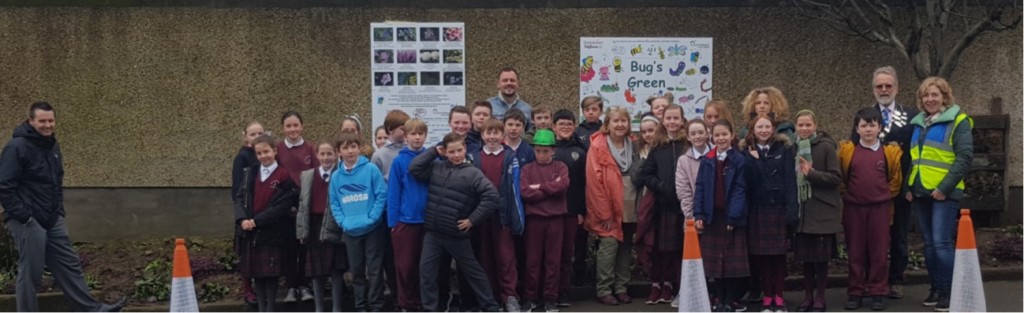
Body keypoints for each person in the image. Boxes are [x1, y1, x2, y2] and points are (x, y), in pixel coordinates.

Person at [0, 102, 127, 312]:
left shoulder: (52, 145)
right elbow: (4, 185)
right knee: (31, 271)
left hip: (52, 218)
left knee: (69, 264)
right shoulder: (17, 147)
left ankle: (92, 309)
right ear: (31, 121)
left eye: (50, 120)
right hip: (27, 221)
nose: (47, 125)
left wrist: (58, 211)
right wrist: (24, 216)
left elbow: (56, 180)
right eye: (42, 121)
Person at [409, 132, 501, 312]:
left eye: (459, 150)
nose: (456, 155)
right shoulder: (437, 167)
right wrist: (434, 152)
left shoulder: (473, 173)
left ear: (465, 149)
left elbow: (492, 196)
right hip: (433, 233)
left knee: (473, 272)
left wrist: (472, 220)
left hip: (456, 235)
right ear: (445, 152)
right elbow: (414, 168)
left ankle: (490, 307)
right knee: (426, 272)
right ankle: (430, 309)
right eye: (451, 152)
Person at [849, 66, 920, 300]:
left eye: (888, 85)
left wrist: (909, 186)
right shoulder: (864, 115)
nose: (884, 89)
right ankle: (871, 281)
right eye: (879, 86)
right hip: (870, 192)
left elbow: (916, 153)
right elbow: (853, 152)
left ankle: (896, 279)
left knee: (898, 236)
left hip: (900, 189)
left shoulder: (911, 116)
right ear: (873, 89)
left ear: (896, 88)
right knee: (870, 239)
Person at [904, 77, 973, 312]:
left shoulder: (958, 121)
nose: (930, 99)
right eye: (926, 95)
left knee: (942, 244)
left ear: (945, 96)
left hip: (945, 192)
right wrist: (908, 187)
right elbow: (914, 159)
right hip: (921, 191)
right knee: (930, 245)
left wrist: (944, 188)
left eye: (935, 95)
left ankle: (950, 292)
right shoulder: (918, 123)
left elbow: (964, 158)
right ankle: (937, 288)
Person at [838, 108, 903, 311]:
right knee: (856, 251)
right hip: (854, 209)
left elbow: (895, 181)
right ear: (857, 129)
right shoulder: (847, 152)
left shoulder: (889, 153)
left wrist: (883, 195)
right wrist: (849, 196)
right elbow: (841, 179)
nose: (868, 129)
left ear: (880, 128)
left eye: (872, 125)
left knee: (879, 252)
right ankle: (856, 291)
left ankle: (877, 291)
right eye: (864, 125)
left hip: (881, 209)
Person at [235, 134, 300, 312]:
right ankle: (262, 310)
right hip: (251, 232)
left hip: (273, 233)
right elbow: (239, 197)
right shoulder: (251, 173)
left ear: (275, 151)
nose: (264, 156)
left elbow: (282, 206)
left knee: (271, 277)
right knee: (257, 275)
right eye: (259, 153)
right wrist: (242, 220)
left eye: (266, 151)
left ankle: (270, 308)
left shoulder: (284, 176)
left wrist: (256, 221)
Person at [466, 119, 525, 312]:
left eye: (496, 133)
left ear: (503, 136)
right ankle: (490, 298)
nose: (492, 137)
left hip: (503, 216)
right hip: (480, 217)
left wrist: (516, 219)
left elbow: (515, 190)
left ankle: (509, 296)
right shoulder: (474, 156)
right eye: (488, 133)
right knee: (485, 257)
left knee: (506, 257)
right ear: (482, 135)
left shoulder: (510, 157)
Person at [741, 114, 798, 312]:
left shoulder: (783, 149)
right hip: (758, 210)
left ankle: (779, 296)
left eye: (767, 127)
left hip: (779, 209)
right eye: (759, 127)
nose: (764, 130)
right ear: (753, 130)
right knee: (762, 257)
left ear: (773, 129)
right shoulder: (746, 152)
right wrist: (754, 160)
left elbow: (790, 182)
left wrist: (792, 211)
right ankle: (767, 296)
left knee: (778, 257)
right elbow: (749, 182)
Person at [584, 107, 639, 306]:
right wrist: (604, 212)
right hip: (607, 204)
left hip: (630, 203)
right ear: (607, 124)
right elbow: (594, 183)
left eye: (624, 120)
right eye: (615, 121)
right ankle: (604, 289)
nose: (620, 124)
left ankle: (621, 288)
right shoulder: (598, 146)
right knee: (609, 246)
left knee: (625, 246)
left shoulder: (633, 143)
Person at [693, 119, 749, 313]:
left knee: (730, 263)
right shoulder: (708, 159)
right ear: (712, 137)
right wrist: (698, 212)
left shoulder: (739, 159)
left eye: (724, 134)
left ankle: (729, 300)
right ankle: (718, 299)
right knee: (715, 263)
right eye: (717, 135)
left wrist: (733, 217)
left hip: (731, 218)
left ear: (732, 135)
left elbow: (740, 189)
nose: (721, 138)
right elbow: (700, 187)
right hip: (712, 217)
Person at [330, 132, 388, 312]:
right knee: (356, 272)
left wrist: (373, 218)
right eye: (345, 148)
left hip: (373, 229)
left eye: (353, 146)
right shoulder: (336, 177)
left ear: (359, 148)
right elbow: (334, 203)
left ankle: (376, 306)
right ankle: (360, 306)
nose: (350, 151)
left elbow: (381, 195)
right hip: (351, 231)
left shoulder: (370, 169)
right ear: (339, 151)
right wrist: (343, 222)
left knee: (375, 270)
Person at [792, 110, 842, 312]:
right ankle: (807, 297)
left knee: (821, 260)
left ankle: (820, 297)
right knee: (806, 260)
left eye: (807, 125)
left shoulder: (826, 147)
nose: (804, 129)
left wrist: (811, 174)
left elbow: (835, 178)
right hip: (802, 212)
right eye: (800, 125)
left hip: (822, 211)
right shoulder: (792, 147)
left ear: (815, 125)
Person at [638, 104, 687, 305]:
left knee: (680, 250)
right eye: (669, 118)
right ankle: (658, 284)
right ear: (663, 121)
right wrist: (661, 185)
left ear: (682, 120)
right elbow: (646, 174)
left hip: (685, 208)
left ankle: (676, 286)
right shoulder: (658, 147)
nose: (672, 122)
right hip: (662, 206)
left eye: (676, 118)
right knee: (660, 249)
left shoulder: (688, 144)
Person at [519, 129, 570, 312]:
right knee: (532, 260)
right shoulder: (527, 169)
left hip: (556, 220)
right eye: (538, 150)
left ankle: (550, 297)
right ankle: (530, 297)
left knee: (553, 260)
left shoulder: (561, 167)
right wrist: (550, 188)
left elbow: (562, 187)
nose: (541, 154)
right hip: (534, 220)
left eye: (545, 151)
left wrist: (539, 187)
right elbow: (525, 192)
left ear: (553, 151)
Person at [296, 140, 348, 312]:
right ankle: (319, 308)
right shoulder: (308, 175)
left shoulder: (341, 174)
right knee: (316, 272)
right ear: (317, 155)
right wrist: (302, 230)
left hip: (334, 224)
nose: (326, 158)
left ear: (336, 154)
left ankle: (337, 308)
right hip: (314, 226)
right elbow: (303, 204)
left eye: (329, 154)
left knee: (336, 270)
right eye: (322, 154)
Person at [387, 119, 431, 311]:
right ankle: (406, 302)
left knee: (425, 266)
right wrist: (393, 223)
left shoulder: (433, 159)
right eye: (413, 134)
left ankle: (424, 302)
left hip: (428, 221)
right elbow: (393, 194)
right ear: (405, 137)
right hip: (405, 222)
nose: (417, 137)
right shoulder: (399, 161)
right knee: (405, 266)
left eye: (421, 134)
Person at [276, 111, 317, 303]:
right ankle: (291, 286)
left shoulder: (310, 149)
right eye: (288, 126)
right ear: (283, 128)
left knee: (305, 247)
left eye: (296, 125)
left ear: (302, 126)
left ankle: (305, 284)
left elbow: (316, 175)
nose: (292, 129)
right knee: (289, 249)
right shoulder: (277, 149)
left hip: (306, 205)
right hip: (285, 206)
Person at [673, 118, 712, 309]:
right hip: (693, 219)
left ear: (707, 133)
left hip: (715, 217)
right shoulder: (683, 160)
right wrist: (692, 216)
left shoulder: (717, 155)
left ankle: (714, 295)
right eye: (693, 133)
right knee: (693, 259)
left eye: (700, 132)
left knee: (714, 258)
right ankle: (689, 295)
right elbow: (683, 191)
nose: (697, 136)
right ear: (688, 137)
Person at [551, 109, 588, 307]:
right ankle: (550, 291)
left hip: (572, 211)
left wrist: (582, 211)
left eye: (569, 124)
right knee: (551, 253)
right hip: (549, 211)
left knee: (567, 253)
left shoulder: (581, 152)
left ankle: (563, 291)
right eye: (561, 124)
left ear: (574, 126)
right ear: (553, 127)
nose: (565, 127)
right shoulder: (546, 149)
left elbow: (584, 184)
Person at [232, 120, 265, 306]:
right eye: (253, 134)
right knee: (247, 256)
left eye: (260, 133)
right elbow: (237, 189)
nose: (257, 137)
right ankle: (248, 289)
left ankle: (260, 287)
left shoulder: (265, 155)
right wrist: (242, 216)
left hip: (262, 212)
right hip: (246, 211)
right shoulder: (242, 158)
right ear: (246, 137)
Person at [631, 115, 660, 296]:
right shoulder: (638, 151)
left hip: (662, 202)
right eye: (644, 131)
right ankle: (652, 277)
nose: (648, 134)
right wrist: (644, 160)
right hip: (643, 201)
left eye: (651, 130)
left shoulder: (666, 149)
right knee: (644, 240)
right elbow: (635, 179)